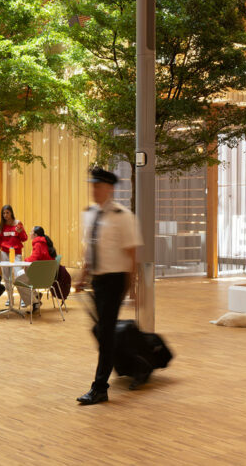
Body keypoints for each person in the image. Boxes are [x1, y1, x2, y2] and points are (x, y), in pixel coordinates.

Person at [75, 166, 142, 406]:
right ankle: (138, 366)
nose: (94, 189)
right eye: (92, 185)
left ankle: (100, 387)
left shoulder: (123, 216)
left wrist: (132, 287)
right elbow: (90, 247)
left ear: (110, 189)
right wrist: (83, 275)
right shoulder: (90, 214)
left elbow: (132, 253)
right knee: (104, 332)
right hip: (98, 280)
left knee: (105, 332)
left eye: (98, 185)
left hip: (116, 279)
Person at [15, 225, 71, 309]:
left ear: (36, 235)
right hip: (48, 276)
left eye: (31, 232)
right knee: (20, 274)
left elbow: (34, 258)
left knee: (18, 278)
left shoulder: (38, 244)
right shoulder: (45, 243)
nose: (30, 233)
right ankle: (35, 295)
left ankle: (35, 301)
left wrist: (25, 260)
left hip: (42, 277)